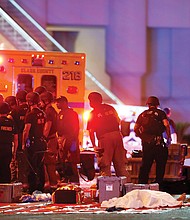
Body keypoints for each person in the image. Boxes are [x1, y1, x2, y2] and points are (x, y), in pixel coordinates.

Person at [87, 92, 130, 180]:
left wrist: (94, 145)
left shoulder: (93, 113)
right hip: (117, 136)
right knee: (121, 166)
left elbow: (91, 131)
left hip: (105, 138)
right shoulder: (110, 108)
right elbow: (118, 121)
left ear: (93, 101)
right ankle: (127, 188)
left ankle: (107, 190)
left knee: (105, 166)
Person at [134, 96, 171, 190]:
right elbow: (166, 125)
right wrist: (169, 138)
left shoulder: (142, 114)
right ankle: (158, 186)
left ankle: (142, 186)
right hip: (158, 143)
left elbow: (135, 128)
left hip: (146, 143)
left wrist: (143, 137)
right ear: (157, 104)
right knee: (160, 165)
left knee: (145, 165)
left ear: (148, 104)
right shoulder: (161, 113)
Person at [22, 92, 47, 194]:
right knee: (40, 166)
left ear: (29, 101)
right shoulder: (43, 113)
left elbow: (26, 130)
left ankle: (32, 188)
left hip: (33, 143)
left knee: (31, 166)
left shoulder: (30, 115)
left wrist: (24, 143)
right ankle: (41, 186)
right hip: (41, 142)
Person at [55, 96, 80, 184]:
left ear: (65, 103)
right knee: (62, 160)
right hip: (61, 137)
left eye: (59, 102)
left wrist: (73, 140)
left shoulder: (71, 113)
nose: (57, 104)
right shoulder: (60, 113)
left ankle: (74, 180)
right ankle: (66, 178)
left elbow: (76, 128)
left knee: (71, 160)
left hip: (69, 137)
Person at [39, 91, 58, 190]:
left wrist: (43, 138)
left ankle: (53, 186)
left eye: (41, 101)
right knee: (49, 163)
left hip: (50, 140)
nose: (40, 103)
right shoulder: (53, 110)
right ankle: (52, 185)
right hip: (53, 139)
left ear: (45, 101)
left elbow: (47, 126)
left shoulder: (48, 111)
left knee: (49, 164)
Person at [0, 102, 18, 183]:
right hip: (8, 148)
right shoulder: (11, 122)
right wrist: (14, 152)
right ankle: (6, 189)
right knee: (6, 168)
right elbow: (16, 138)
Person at [15, 90, 29, 189]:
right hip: (30, 139)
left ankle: (21, 183)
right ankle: (27, 182)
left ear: (18, 99)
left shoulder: (16, 111)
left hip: (19, 138)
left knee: (19, 161)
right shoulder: (30, 110)